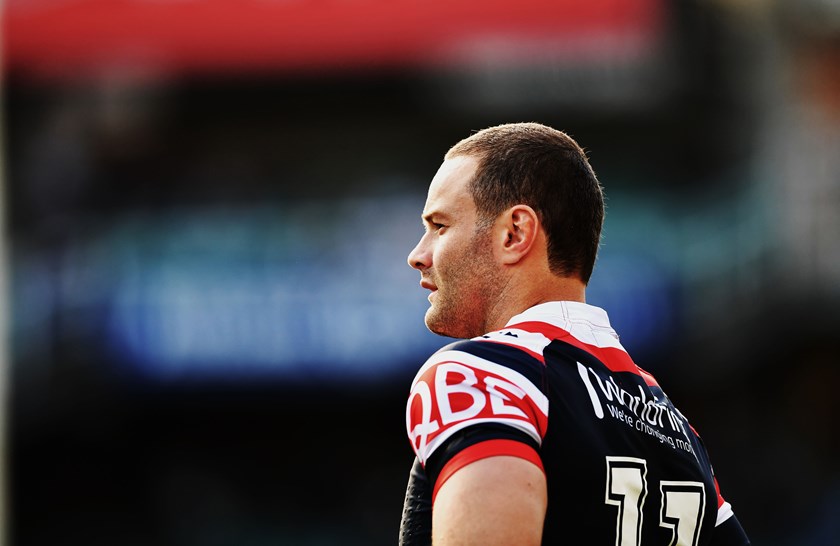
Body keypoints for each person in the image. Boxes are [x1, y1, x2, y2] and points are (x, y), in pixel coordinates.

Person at [399, 122, 750, 545]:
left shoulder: (481, 374)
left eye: (439, 226)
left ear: (515, 233)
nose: (418, 255)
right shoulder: (678, 432)